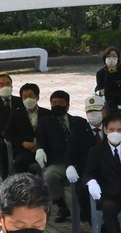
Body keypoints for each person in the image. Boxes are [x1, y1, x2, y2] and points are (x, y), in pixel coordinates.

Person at [34, 90, 90, 222]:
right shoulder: (44, 122)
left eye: (61, 103)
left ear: (68, 105)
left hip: (79, 161)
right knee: (50, 176)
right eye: (54, 103)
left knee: (88, 178)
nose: (57, 105)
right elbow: (41, 139)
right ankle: (61, 205)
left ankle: (85, 208)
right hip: (58, 161)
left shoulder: (80, 122)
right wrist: (40, 149)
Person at [4, 82, 45, 174]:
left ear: (37, 97)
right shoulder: (15, 114)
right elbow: (8, 133)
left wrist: (39, 145)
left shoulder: (47, 114)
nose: (28, 99)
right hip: (23, 150)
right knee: (20, 161)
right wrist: (23, 143)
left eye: (30, 96)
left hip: (43, 149)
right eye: (25, 97)